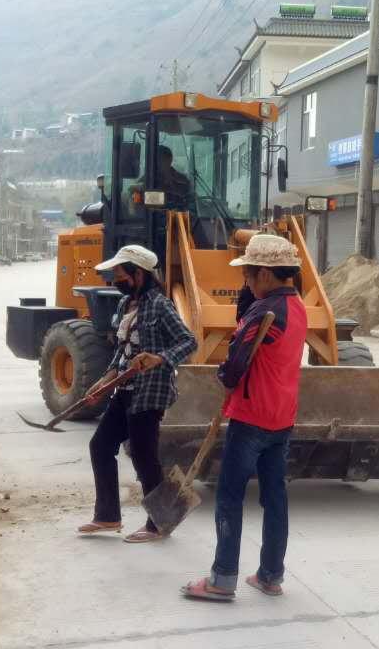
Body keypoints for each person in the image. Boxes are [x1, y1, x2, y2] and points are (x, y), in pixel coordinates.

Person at [181, 233, 307, 602]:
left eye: (248, 275)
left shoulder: (263, 314)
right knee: (275, 498)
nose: (246, 283)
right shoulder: (297, 307)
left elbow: (233, 367)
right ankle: (270, 575)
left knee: (229, 497)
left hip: (250, 417)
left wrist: (223, 377)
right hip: (282, 417)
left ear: (265, 274)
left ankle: (222, 579)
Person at [81, 244, 196, 541]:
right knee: (100, 445)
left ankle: (158, 524)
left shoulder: (160, 305)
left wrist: (159, 358)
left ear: (139, 274)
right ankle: (107, 516)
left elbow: (188, 341)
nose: (116, 280)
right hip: (125, 389)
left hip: (150, 392)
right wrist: (103, 381)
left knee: (144, 457)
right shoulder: (124, 305)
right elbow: (122, 353)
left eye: (120, 274)